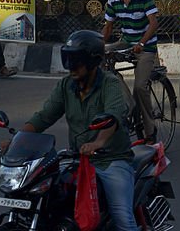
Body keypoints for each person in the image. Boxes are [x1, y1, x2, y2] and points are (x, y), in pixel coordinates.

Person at [21, 30, 138, 231]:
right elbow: (44, 117)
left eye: (77, 60)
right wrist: (19, 140)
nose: (71, 67)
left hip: (111, 160)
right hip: (76, 158)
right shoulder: (67, 85)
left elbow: (113, 115)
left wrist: (98, 142)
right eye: (68, 59)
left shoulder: (110, 83)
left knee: (123, 219)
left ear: (92, 62)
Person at [103, 0, 159, 142]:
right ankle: (128, 103)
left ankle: (150, 131)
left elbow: (153, 23)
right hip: (126, 43)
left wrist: (142, 43)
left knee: (140, 87)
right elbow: (108, 27)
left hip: (145, 47)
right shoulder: (113, 0)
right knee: (101, 62)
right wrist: (100, 45)